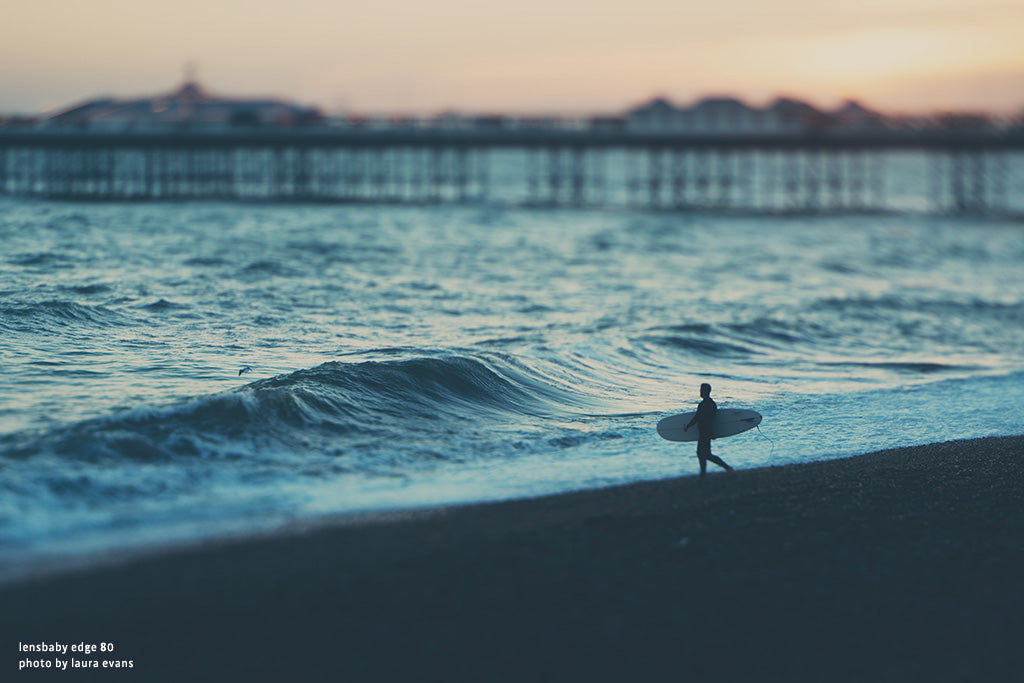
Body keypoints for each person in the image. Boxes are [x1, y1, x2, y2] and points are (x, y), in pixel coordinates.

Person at [685, 383, 733, 476]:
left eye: (701, 390)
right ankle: (704, 473)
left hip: (704, 432)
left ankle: (727, 468)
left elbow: (697, 417)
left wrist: (687, 426)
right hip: (708, 431)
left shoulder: (703, 404)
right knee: (704, 453)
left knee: (704, 454)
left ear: (704, 392)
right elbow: (712, 419)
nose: (700, 392)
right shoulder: (712, 404)